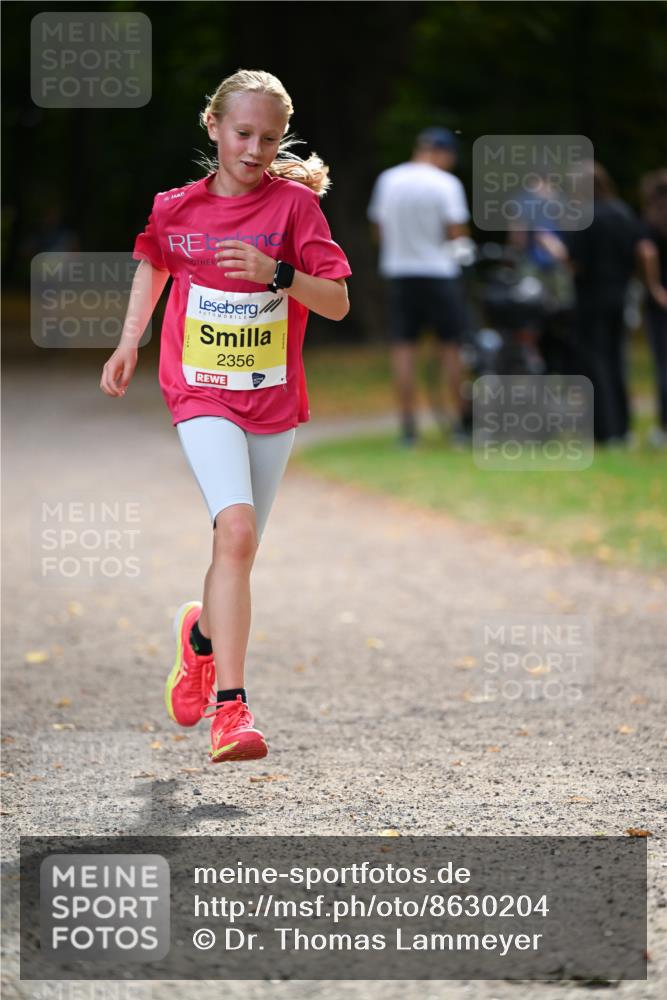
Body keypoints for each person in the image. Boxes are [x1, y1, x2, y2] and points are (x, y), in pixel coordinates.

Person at [100, 69, 351, 764]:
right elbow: (154, 264)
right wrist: (129, 341)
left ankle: (200, 640)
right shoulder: (175, 208)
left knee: (237, 551)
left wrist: (278, 274)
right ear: (213, 126)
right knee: (234, 532)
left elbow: (336, 302)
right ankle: (231, 711)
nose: (254, 150)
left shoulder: (296, 208)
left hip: (272, 399)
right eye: (242, 133)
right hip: (199, 390)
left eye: (269, 139)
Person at [367, 127, 472, 446]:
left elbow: (378, 229)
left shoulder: (389, 180)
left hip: (400, 272)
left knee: (403, 349)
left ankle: (408, 429)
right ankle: (460, 425)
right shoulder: (446, 184)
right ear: (442, 153)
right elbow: (456, 232)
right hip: (439, 272)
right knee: (451, 347)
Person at [561, 161, 643, 446]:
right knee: (616, 358)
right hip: (621, 293)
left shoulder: (585, 216)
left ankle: (605, 430)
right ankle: (623, 427)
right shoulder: (623, 212)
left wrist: (557, 253)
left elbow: (575, 262)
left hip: (591, 296)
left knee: (594, 361)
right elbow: (639, 252)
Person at [637, 169, 667, 448]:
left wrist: (655, 287)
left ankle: (664, 427)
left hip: (660, 304)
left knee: (663, 363)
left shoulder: (653, 222)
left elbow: (647, 252)